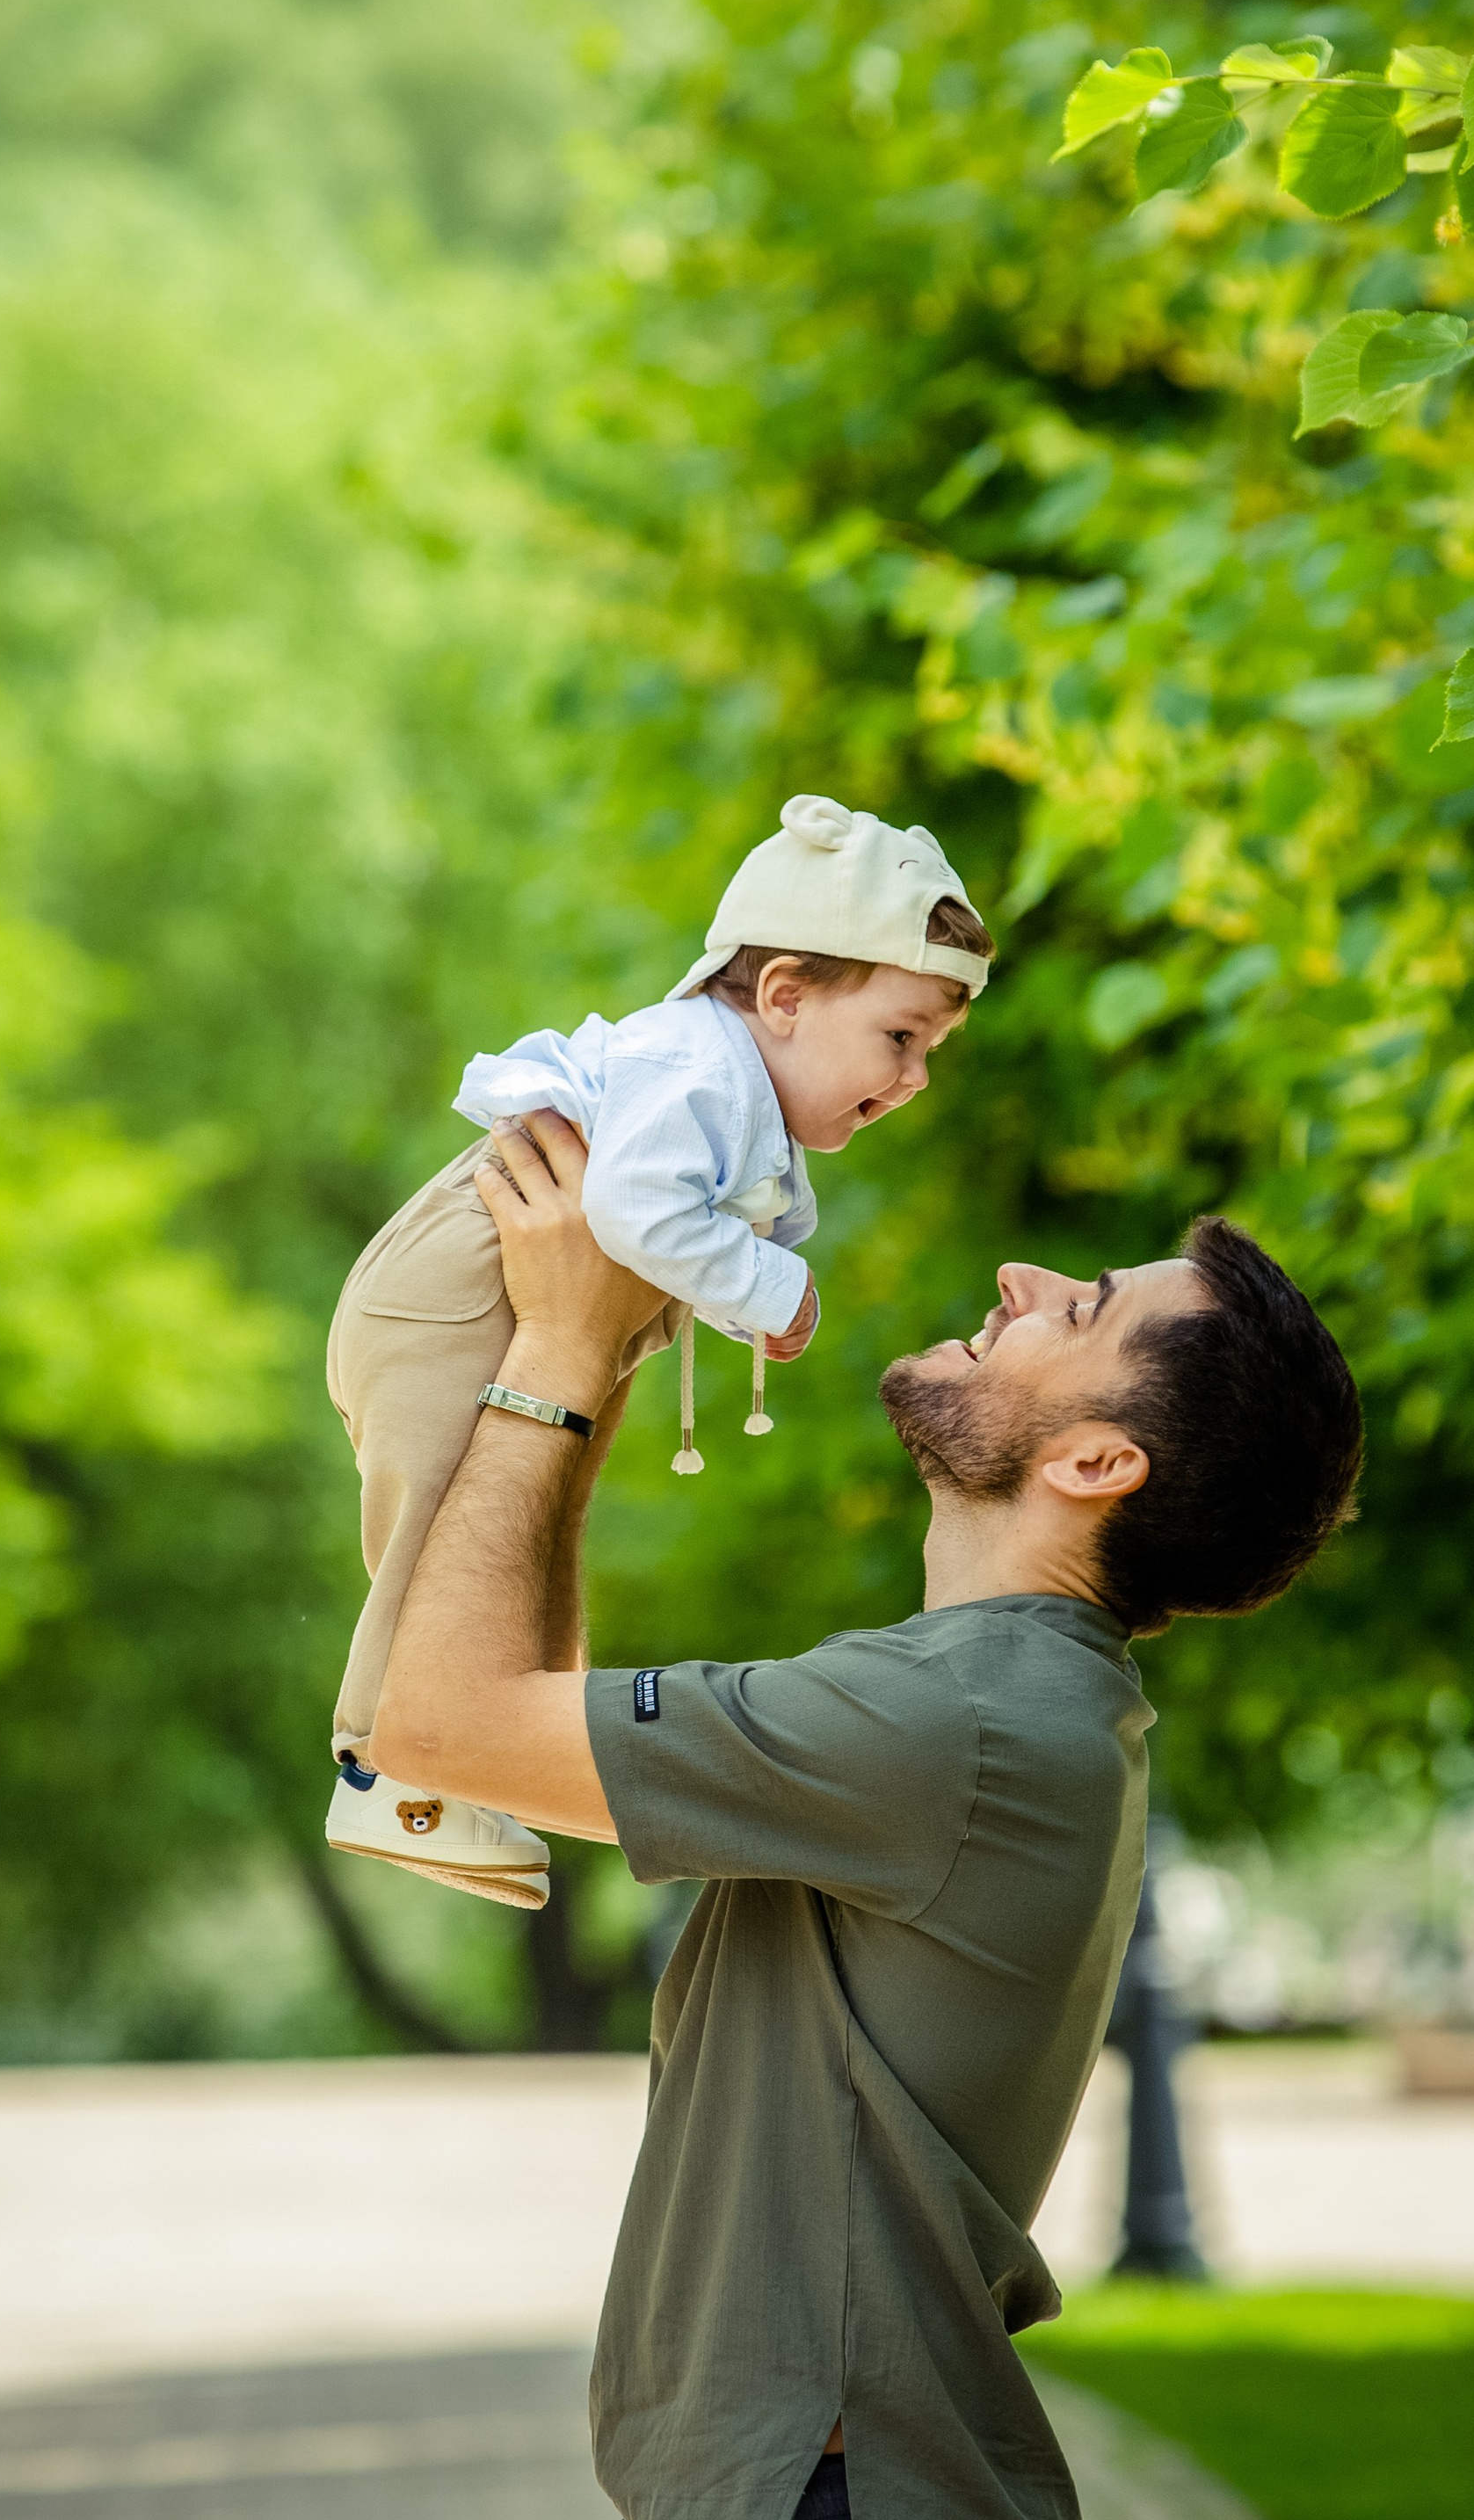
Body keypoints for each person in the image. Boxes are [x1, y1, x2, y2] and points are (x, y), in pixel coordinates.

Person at [367, 1106, 1363, 2520]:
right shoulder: (983, 1704)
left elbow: (438, 1725)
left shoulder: (955, 1721)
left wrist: (555, 1349)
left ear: (1096, 1463)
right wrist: (592, 1359)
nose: (1020, 1276)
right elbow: (512, 1723)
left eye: (1079, 1306)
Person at [323, 795, 994, 1905]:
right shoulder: (699, 1070)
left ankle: (477, 1764)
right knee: (438, 1535)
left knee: (516, 1523)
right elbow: (637, 1211)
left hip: (482, 1297)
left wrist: (746, 1294)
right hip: (448, 1297)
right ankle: (385, 1772)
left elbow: (679, 1226)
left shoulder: (736, 1092)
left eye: (931, 1049)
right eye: (900, 1036)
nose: (916, 1075)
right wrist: (768, 1290)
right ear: (783, 995)